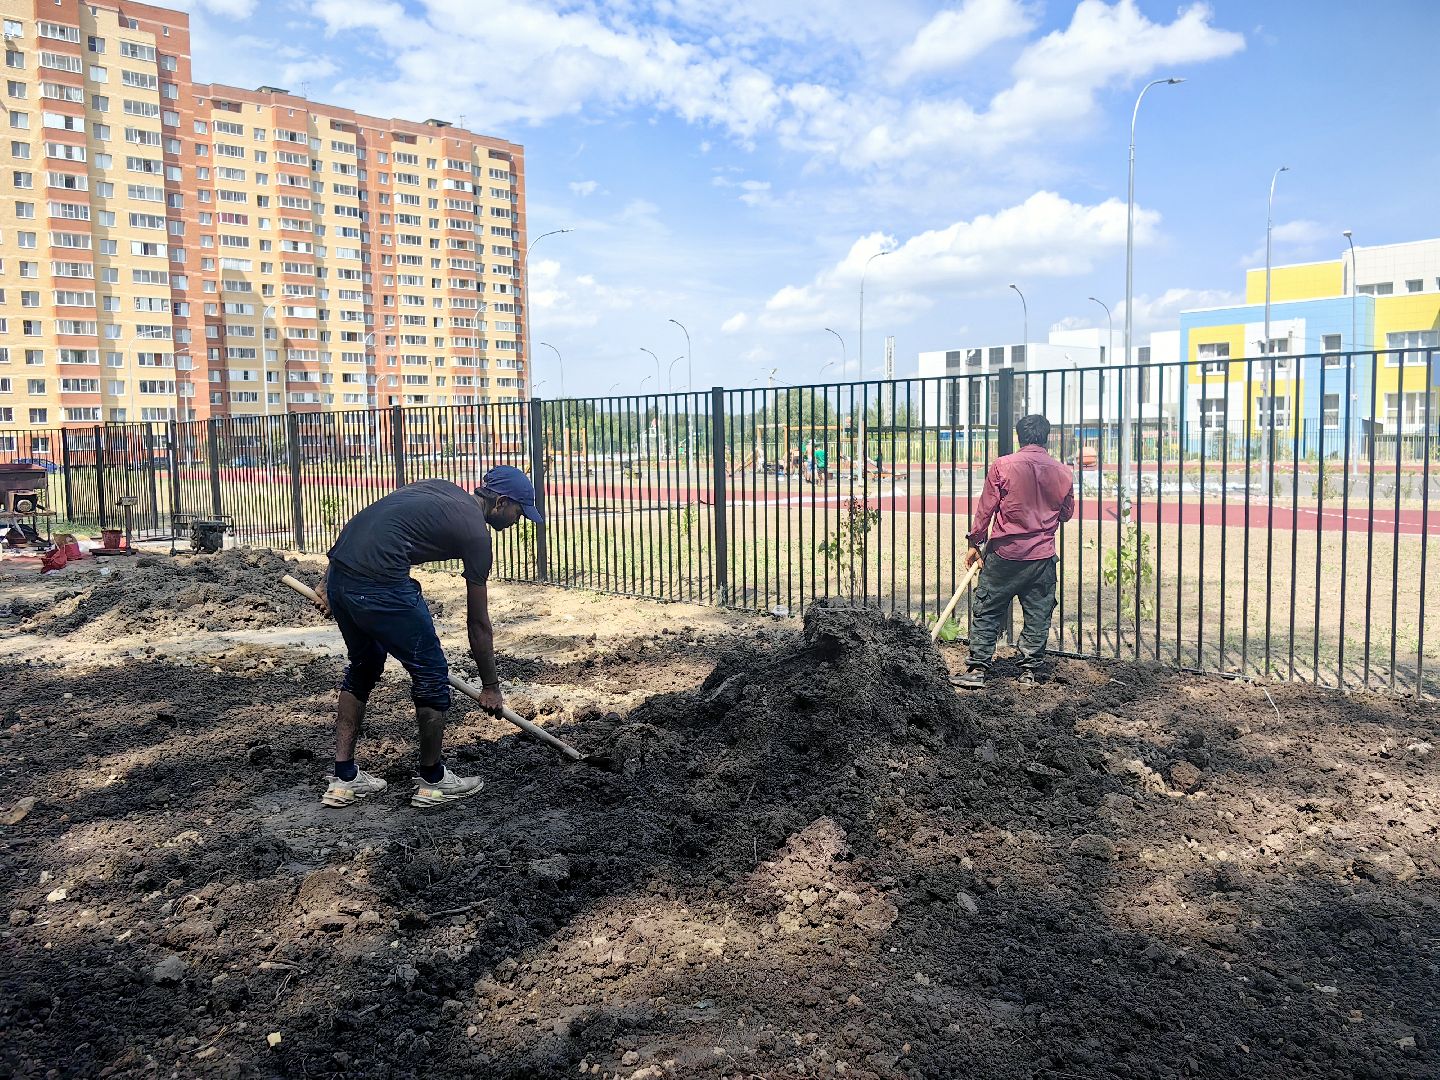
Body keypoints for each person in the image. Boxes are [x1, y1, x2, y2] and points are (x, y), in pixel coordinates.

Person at [315, 466, 542, 809]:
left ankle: (343, 779)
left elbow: (367, 519)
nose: (518, 519)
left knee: (364, 666)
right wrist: (491, 686)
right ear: (501, 503)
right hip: (382, 583)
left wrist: (330, 581)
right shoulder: (478, 537)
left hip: (343, 575)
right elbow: (478, 624)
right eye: (519, 512)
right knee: (432, 676)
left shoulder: (439, 488)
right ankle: (432, 782)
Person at [953, 414, 1074, 689]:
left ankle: (977, 669)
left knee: (988, 609)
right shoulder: (1064, 473)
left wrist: (974, 543)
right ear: (1047, 437)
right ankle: (1029, 671)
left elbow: (986, 510)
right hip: (1042, 556)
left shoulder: (1002, 466)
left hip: (1005, 555)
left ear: (1019, 437)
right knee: (1038, 613)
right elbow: (1066, 514)